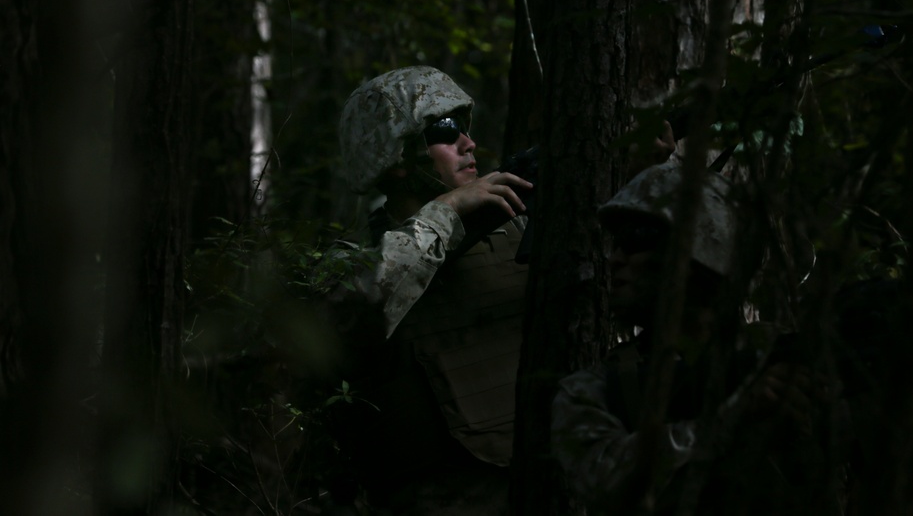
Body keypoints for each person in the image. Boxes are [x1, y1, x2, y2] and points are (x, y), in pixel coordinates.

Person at [551, 162, 836, 515]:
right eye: (617, 243)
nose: (616, 259)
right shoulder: (595, 390)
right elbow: (606, 480)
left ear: (698, 252)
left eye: (637, 239)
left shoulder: (778, 354)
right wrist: (731, 418)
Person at [325, 66, 535, 515]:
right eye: (444, 130)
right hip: (444, 496)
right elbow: (360, 313)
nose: (467, 143)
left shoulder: (520, 230)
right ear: (395, 156)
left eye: (464, 128)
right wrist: (446, 212)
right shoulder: (354, 262)